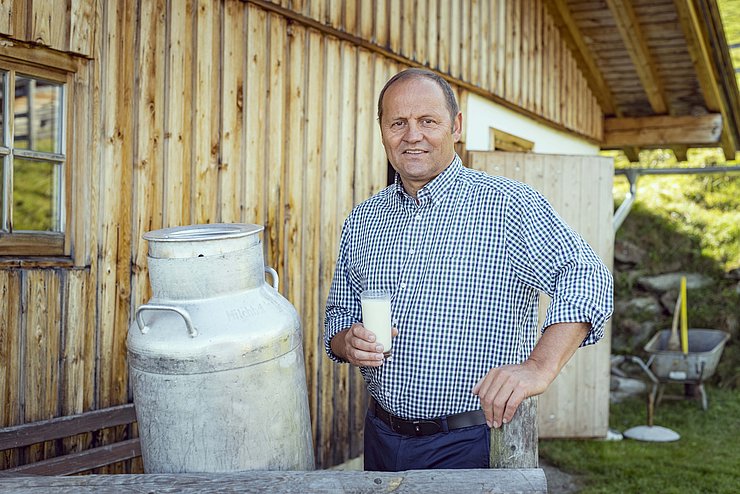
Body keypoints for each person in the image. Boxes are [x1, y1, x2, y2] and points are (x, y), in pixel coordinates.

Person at [324, 68, 613, 471]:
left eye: (428, 121)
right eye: (397, 123)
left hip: (475, 442)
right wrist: (345, 341)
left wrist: (537, 367)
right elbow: (338, 315)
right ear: (383, 130)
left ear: (456, 126)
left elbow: (587, 277)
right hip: (382, 437)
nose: (412, 135)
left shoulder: (507, 205)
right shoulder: (364, 219)